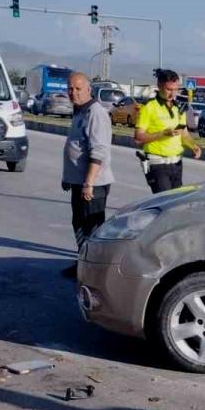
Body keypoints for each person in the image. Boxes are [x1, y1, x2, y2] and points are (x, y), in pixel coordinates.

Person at [60, 72, 114, 278]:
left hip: (93, 185)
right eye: (70, 88)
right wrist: (68, 177)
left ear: (89, 89)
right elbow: (76, 146)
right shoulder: (80, 111)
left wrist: (89, 182)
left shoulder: (95, 113)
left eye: (78, 89)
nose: (73, 93)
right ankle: (83, 262)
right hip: (79, 182)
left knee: (93, 228)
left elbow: (98, 151)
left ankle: (95, 270)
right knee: (79, 224)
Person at [133, 68, 201, 194]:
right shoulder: (148, 107)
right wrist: (164, 133)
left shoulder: (179, 107)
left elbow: (184, 133)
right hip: (157, 165)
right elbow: (138, 138)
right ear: (159, 86)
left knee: (176, 202)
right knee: (165, 201)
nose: (173, 94)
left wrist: (193, 146)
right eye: (169, 89)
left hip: (177, 164)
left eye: (176, 89)